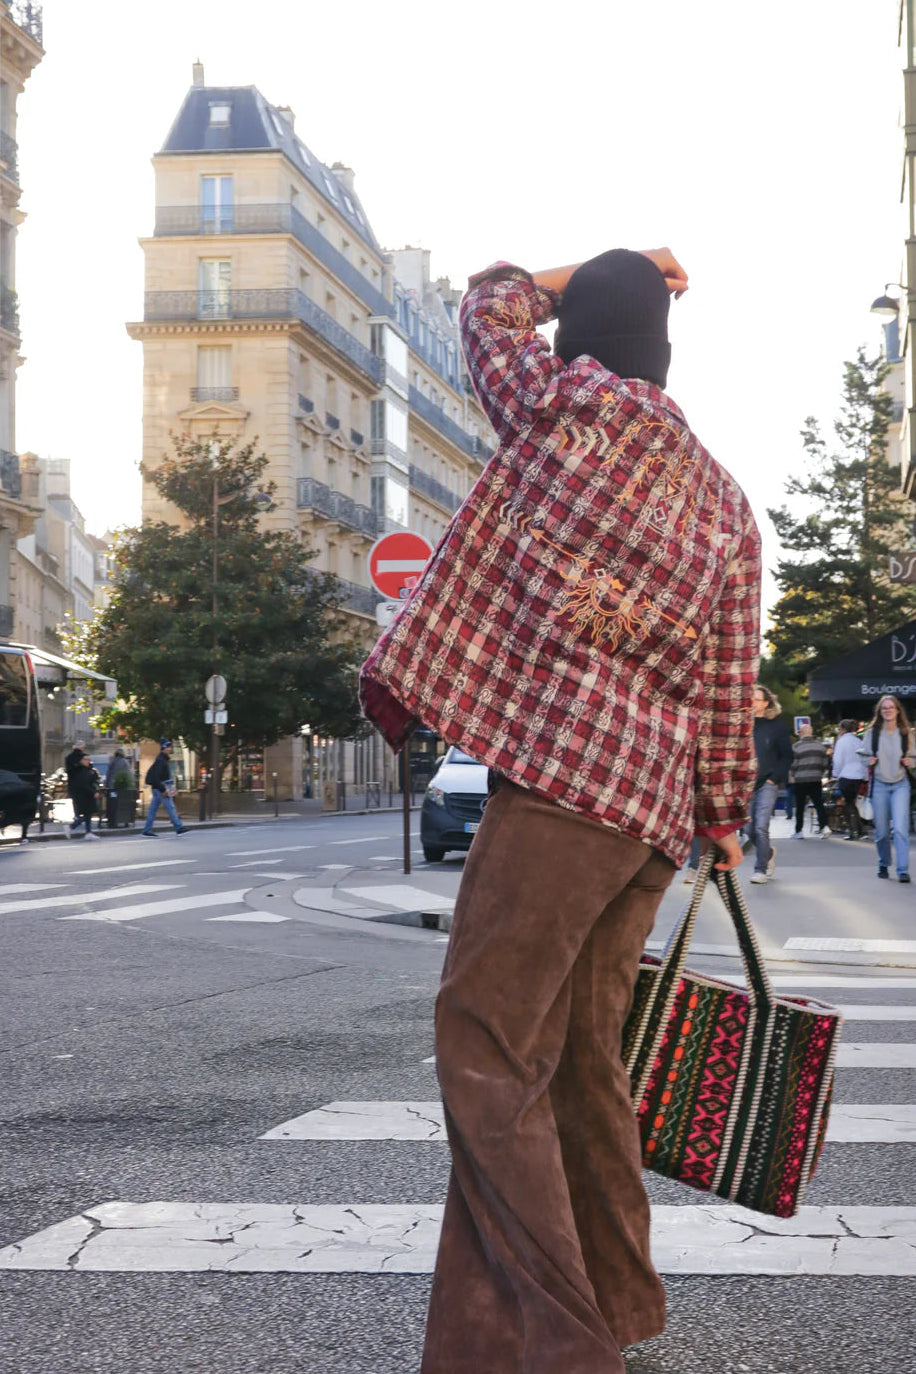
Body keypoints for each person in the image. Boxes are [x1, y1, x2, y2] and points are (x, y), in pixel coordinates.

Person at [360, 247, 761, 1374]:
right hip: (650, 817)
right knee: (585, 1062)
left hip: (560, 790)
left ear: (581, 337)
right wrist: (722, 816)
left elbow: (486, 308)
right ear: (662, 356)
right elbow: (729, 680)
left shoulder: (555, 404)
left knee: (487, 1044)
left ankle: (560, 1345)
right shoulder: (725, 501)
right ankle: (606, 1304)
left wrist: (566, 271)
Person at [862, 695, 915, 882]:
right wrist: (868, 761)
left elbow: (914, 757)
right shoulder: (873, 733)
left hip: (901, 784)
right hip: (879, 785)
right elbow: (862, 755)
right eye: (884, 708)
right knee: (882, 832)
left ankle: (902, 870)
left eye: (891, 707)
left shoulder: (905, 733)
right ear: (880, 711)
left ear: (898, 710)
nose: (888, 710)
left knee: (900, 829)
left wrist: (910, 762)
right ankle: (884, 863)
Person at [746, 684, 792, 883]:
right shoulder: (741, 725)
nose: (752, 702)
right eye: (750, 698)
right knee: (748, 829)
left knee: (761, 826)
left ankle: (760, 870)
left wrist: (774, 778)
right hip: (746, 784)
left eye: (757, 699)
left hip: (767, 782)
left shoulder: (776, 727)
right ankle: (769, 853)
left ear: (766, 703)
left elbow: (787, 756)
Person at [789, 723, 831, 839]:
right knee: (819, 804)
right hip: (816, 779)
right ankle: (824, 827)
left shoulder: (796, 746)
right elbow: (825, 764)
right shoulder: (820, 746)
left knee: (800, 806)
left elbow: (793, 764)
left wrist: (792, 775)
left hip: (801, 780)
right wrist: (819, 773)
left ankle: (799, 831)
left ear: (802, 733)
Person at [142, 739, 188, 837]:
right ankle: (178, 827)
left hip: (158, 787)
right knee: (170, 807)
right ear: (163, 748)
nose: (170, 749)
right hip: (162, 787)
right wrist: (163, 789)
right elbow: (157, 777)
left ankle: (147, 829)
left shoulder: (162, 759)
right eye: (168, 747)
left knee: (152, 810)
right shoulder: (161, 760)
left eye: (170, 747)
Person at [832, 718, 868, 840]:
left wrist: (835, 774)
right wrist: (865, 775)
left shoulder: (841, 742)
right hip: (858, 775)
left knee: (847, 804)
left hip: (846, 775)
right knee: (852, 802)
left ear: (842, 729)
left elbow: (838, 760)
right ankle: (860, 830)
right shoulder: (858, 741)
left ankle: (853, 830)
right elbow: (864, 759)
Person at [69, 755, 102, 840]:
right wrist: (93, 792)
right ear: (81, 761)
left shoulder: (90, 770)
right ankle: (72, 826)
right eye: (85, 759)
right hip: (84, 795)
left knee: (88, 814)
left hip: (89, 795)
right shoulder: (80, 771)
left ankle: (88, 832)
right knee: (87, 814)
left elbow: (94, 781)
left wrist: (96, 790)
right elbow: (83, 784)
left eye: (88, 759)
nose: (87, 761)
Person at [64, 742, 86, 837]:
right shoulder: (84, 757)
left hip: (72, 784)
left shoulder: (68, 757)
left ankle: (77, 818)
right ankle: (76, 824)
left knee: (76, 802)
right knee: (88, 808)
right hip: (83, 784)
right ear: (82, 748)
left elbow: (68, 771)